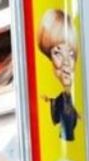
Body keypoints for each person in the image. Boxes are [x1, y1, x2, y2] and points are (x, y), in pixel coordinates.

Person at [37, 9, 79, 141]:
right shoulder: (51, 99)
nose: (66, 62)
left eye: (71, 54)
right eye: (58, 53)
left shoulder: (75, 97)